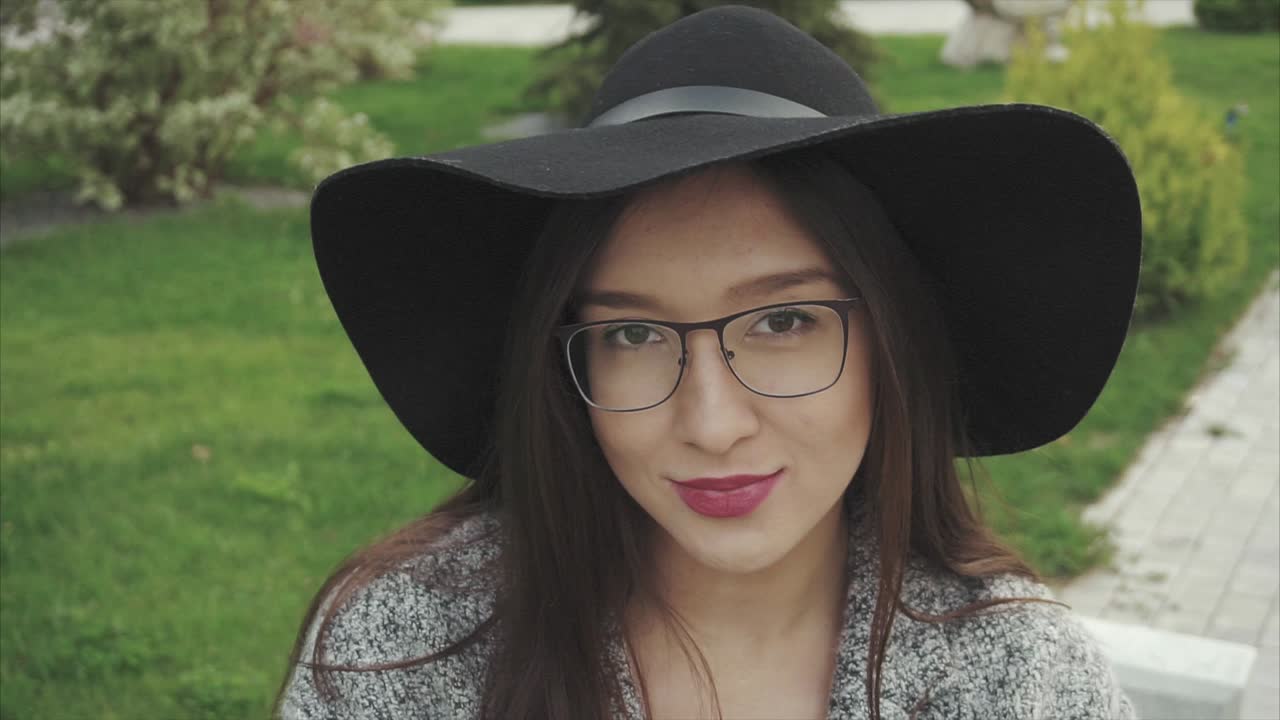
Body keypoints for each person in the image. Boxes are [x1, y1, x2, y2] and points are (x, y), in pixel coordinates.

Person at [273, 5, 1142, 719]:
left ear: (896, 342)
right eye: (634, 336)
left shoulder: (1023, 685)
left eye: (786, 320)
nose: (713, 425)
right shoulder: (404, 653)